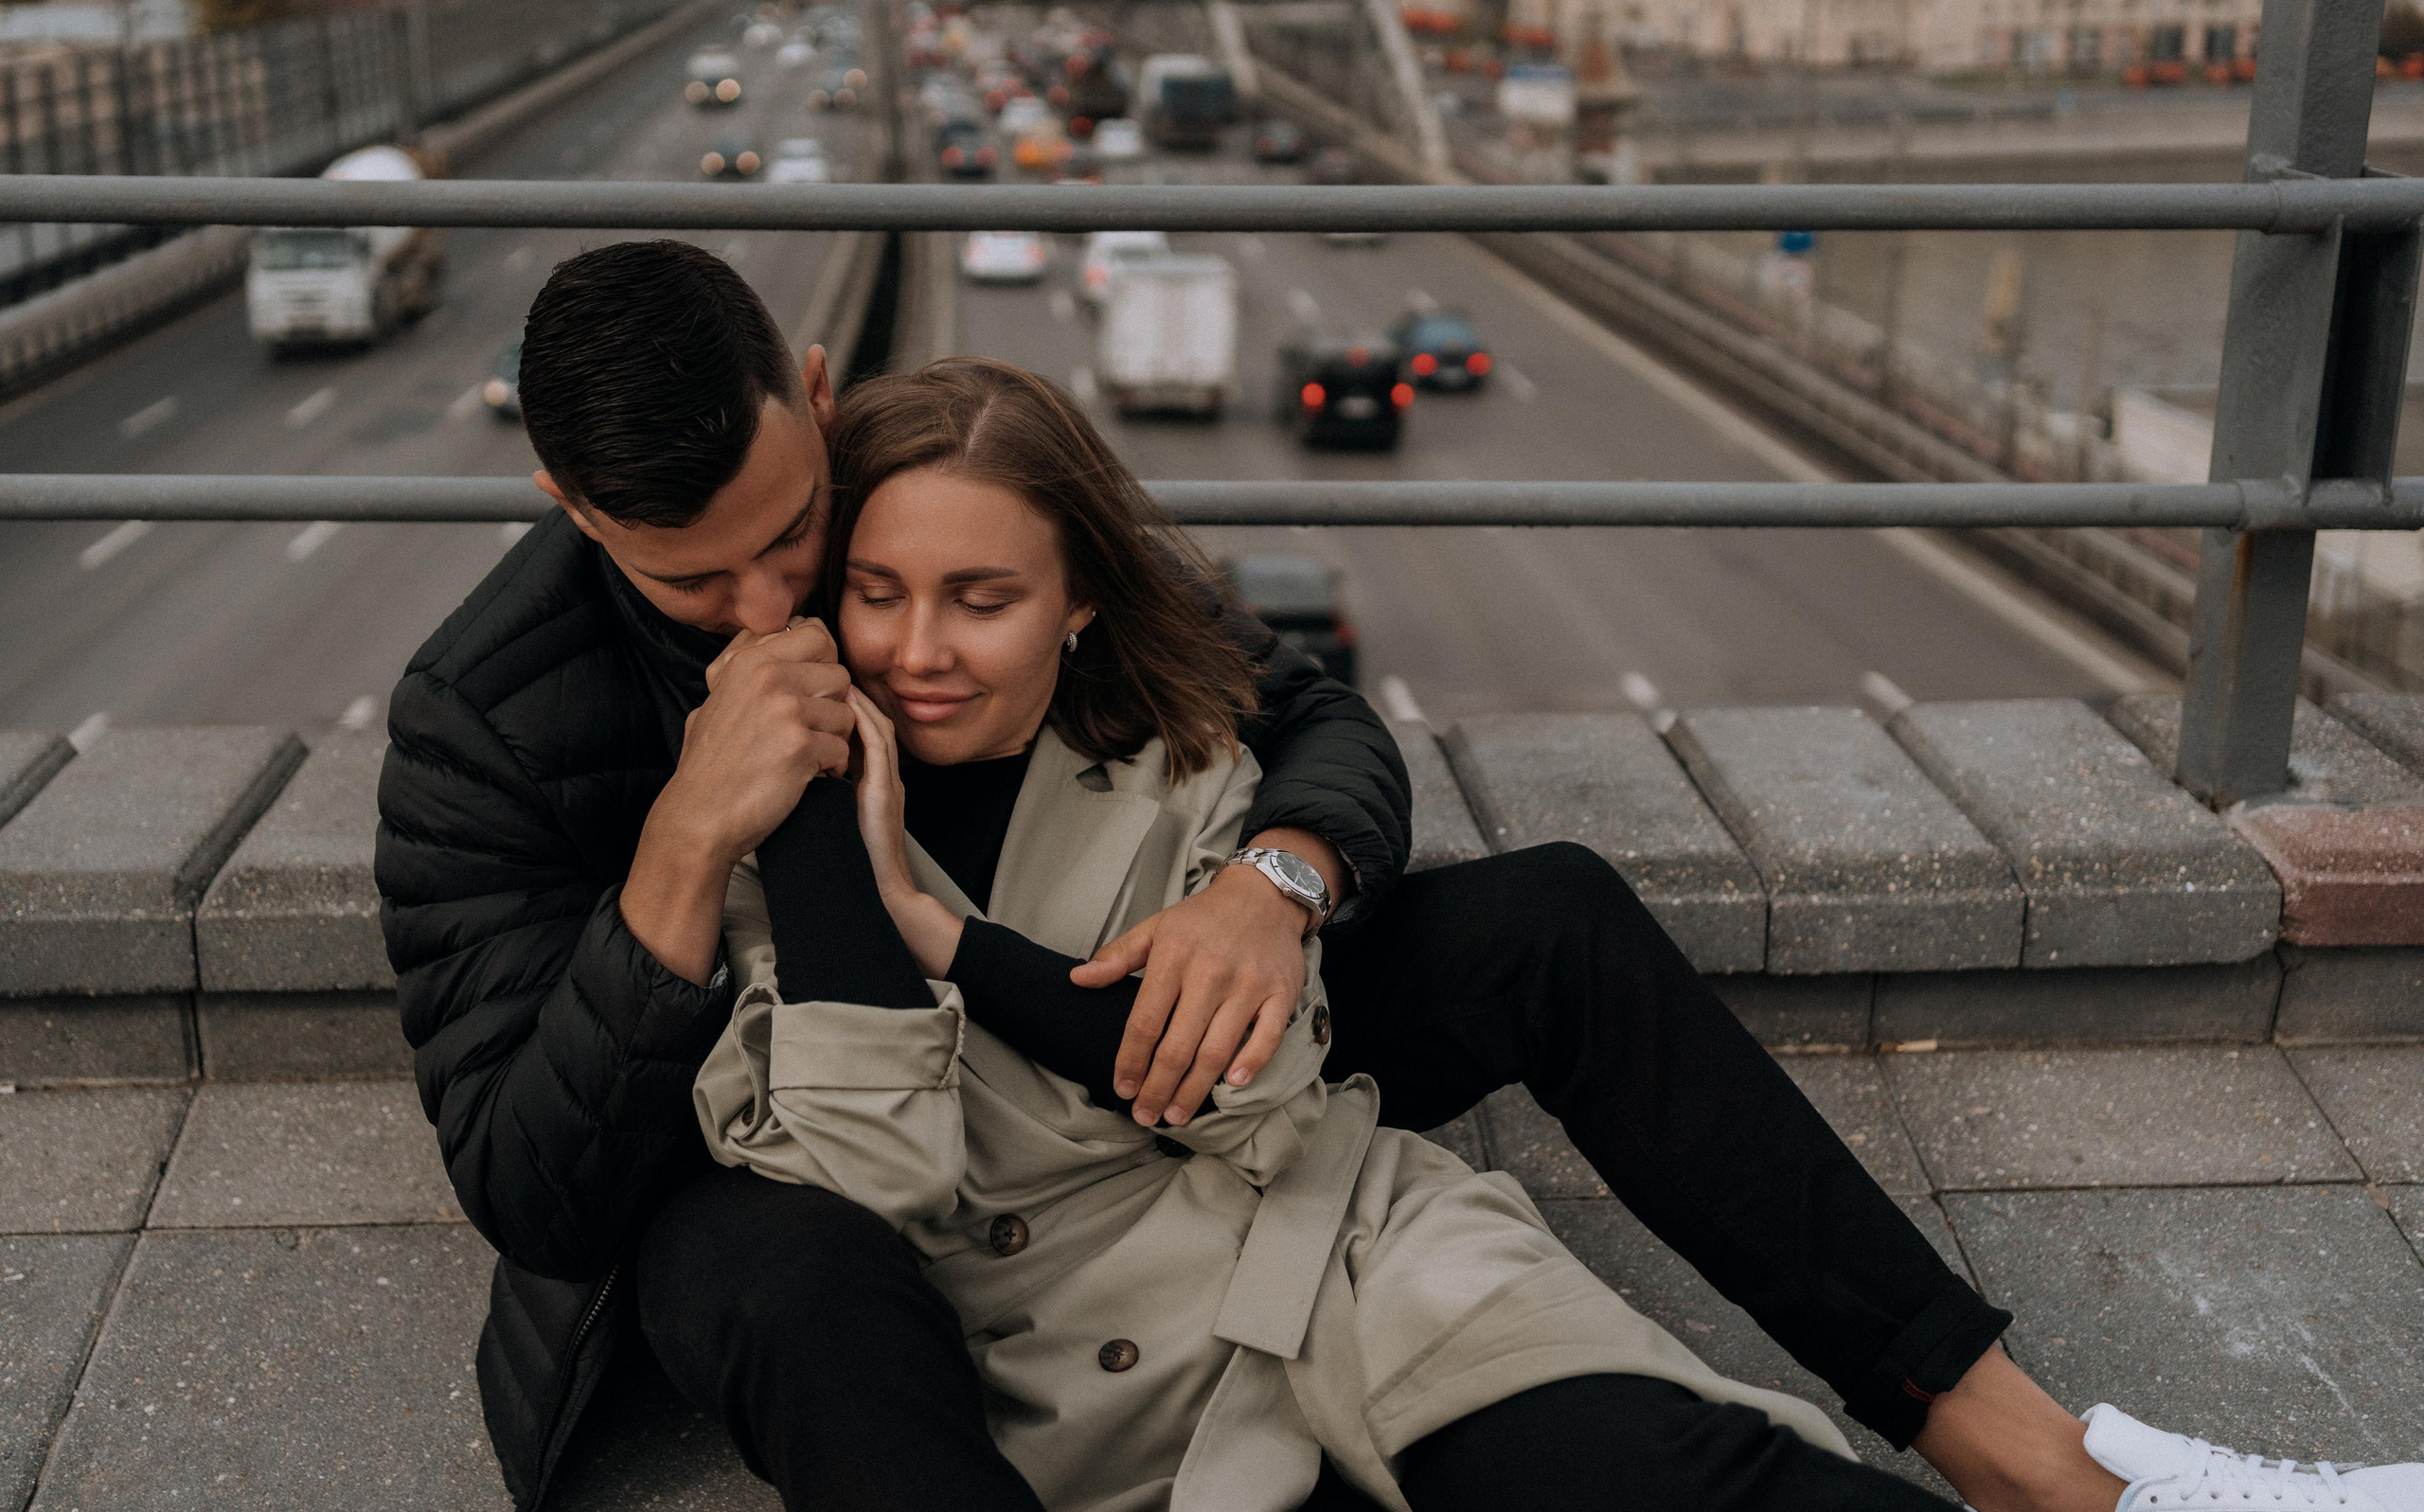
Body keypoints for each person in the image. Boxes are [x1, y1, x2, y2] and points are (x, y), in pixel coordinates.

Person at [376, 241, 2421, 1512]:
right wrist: (678, 850)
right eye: (691, 576)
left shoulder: (930, 506)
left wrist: (1273, 875)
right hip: (776, 1162)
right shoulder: (490, 714)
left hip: (1167, 1103)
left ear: (816, 408)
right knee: (767, 1265)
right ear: (570, 506)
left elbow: (1291, 703)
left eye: (794, 532)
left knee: (1551, 917)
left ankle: (2003, 1437)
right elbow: (536, 1185)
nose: (785, 604)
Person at [693, 355, 1941, 1510]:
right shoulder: (772, 820)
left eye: (982, 600)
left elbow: (1266, 1096)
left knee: (1679, 1476)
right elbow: (869, 1184)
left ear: (1079, 603)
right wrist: (835, 864)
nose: (919, 651)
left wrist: (947, 938)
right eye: (876, 593)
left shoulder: (1185, 748)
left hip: (1350, 1261)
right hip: (1087, 1372)